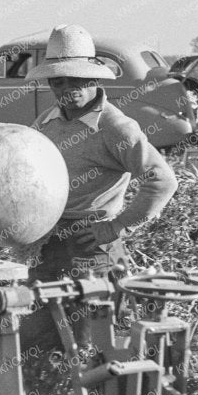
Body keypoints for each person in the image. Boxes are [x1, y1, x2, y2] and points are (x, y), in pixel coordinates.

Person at [28, 24, 178, 281]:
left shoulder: (115, 127)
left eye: (76, 80)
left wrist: (117, 226)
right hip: (48, 243)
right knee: (38, 316)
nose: (67, 89)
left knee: (98, 317)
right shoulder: (45, 122)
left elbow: (162, 180)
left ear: (93, 78)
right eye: (59, 82)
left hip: (92, 248)